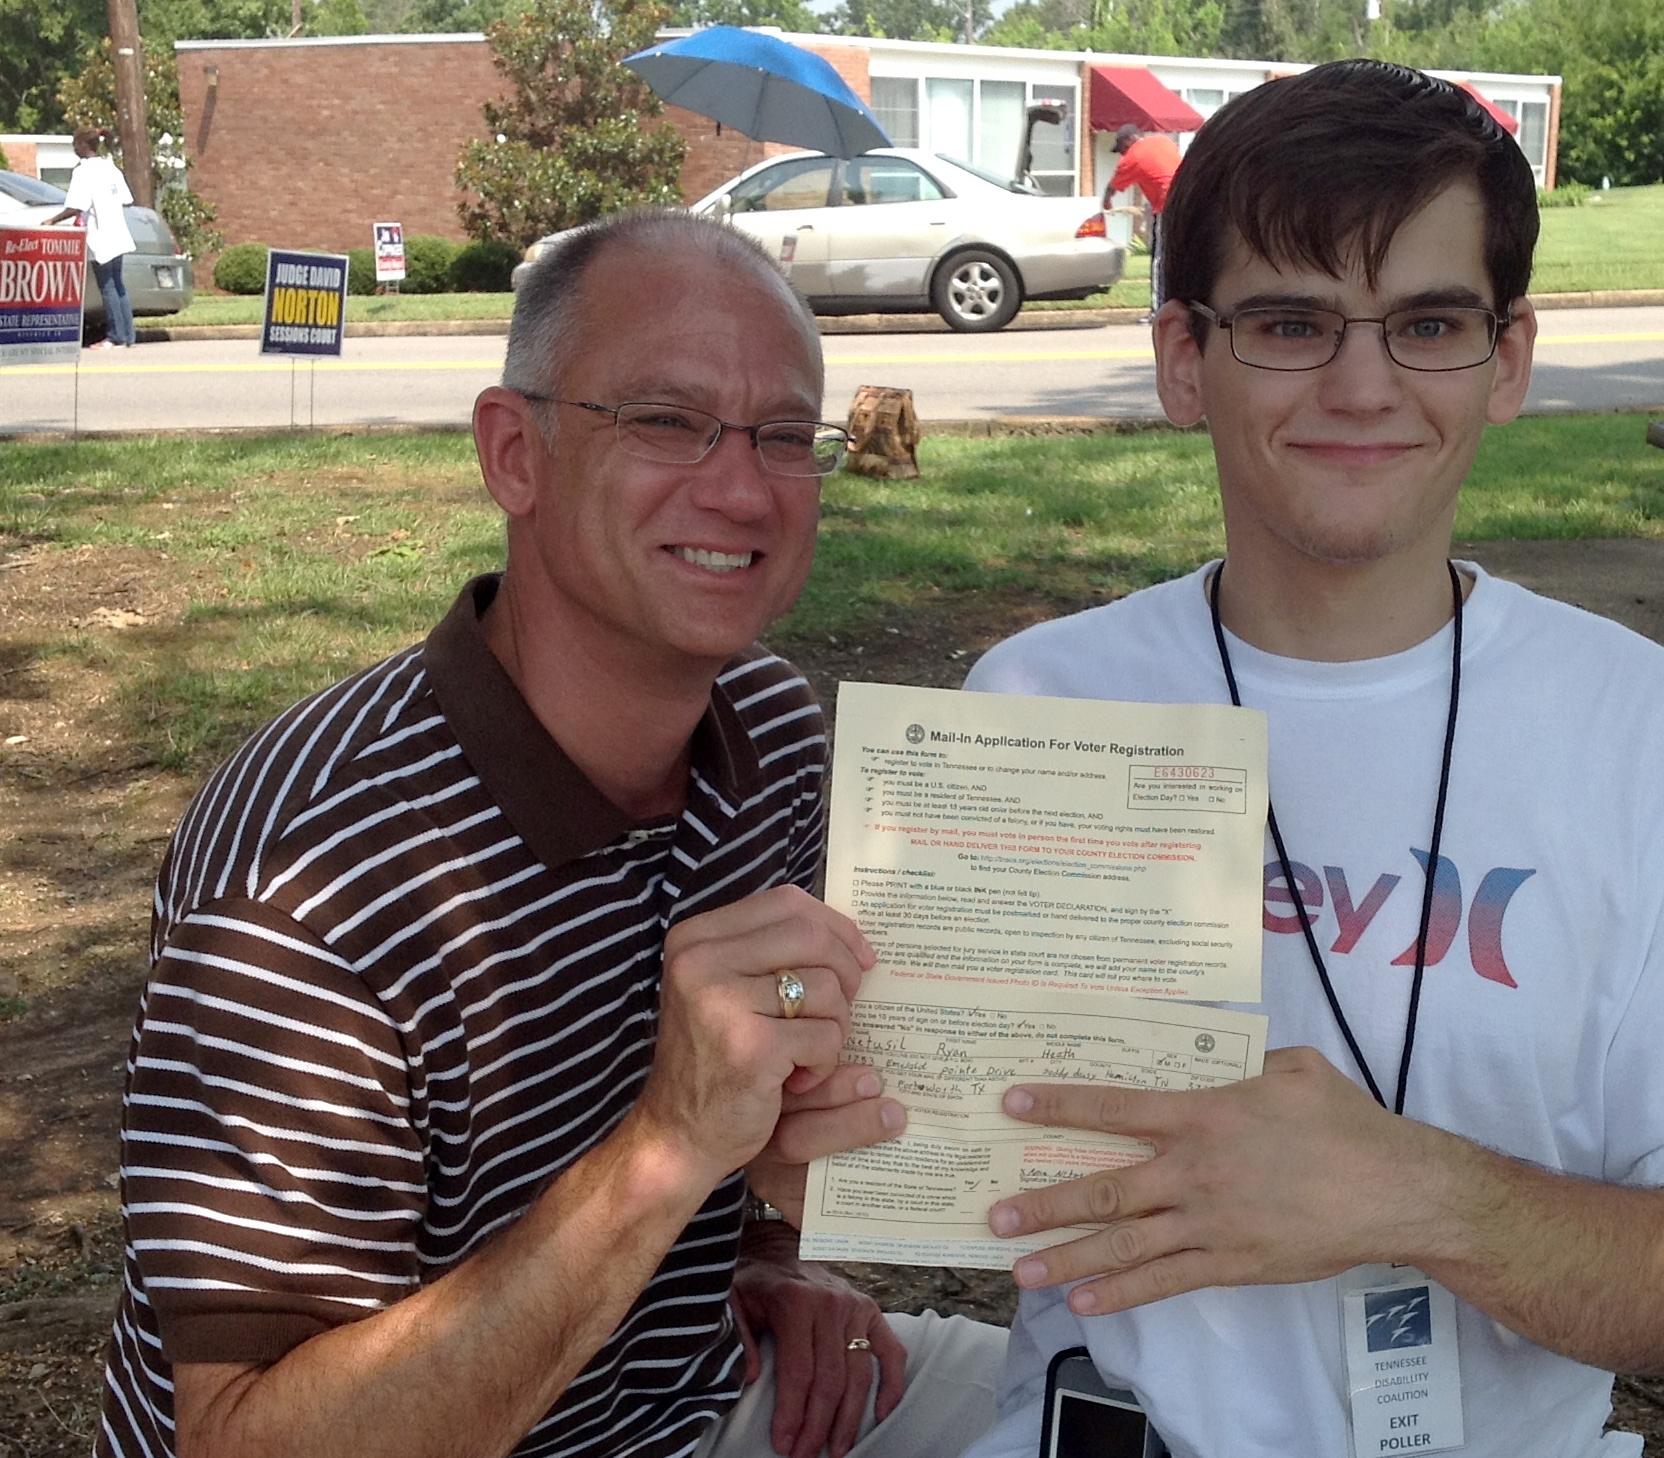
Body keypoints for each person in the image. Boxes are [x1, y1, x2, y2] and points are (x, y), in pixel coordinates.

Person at [958, 61, 1664, 1457]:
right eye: (1290, 322)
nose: (1362, 385)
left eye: (1429, 323)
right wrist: (803, 1118)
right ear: (1182, 359)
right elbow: (929, 1145)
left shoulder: (1651, 735)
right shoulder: (1037, 706)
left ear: (1507, 360)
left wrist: (1409, 1193)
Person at [93, 207, 1005, 1458]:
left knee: (1139, 1401)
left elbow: (761, 1136)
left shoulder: (772, 734)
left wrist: (769, 1256)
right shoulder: (310, 879)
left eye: (787, 436)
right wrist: (666, 1150)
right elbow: (246, 1440)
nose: (743, 489)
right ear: (514, 454)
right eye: (666, 420)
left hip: (696, 1403)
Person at [49, 128, 138, 349]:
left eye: (75, 144)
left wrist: (52, 220)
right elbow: (126, 198)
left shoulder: (83, 171)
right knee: (118, 284)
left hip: (100, 235)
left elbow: (76, 206)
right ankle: (128, 336)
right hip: (118, 232)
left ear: (83, 144)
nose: (74, 149)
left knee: (107, 286)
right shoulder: (110, 167)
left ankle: (115, 337)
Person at [1101, 124, 1182, 324]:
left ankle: (1157, 311)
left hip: (1167, 205)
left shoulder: (1132, 157)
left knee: (1160, 260)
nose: (1122, 154)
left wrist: (1106, 201)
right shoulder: (1163, 141)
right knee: (1182, 258)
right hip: (1189, 200)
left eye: (1121, 148)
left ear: (1128, 140)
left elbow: (1112, 187)